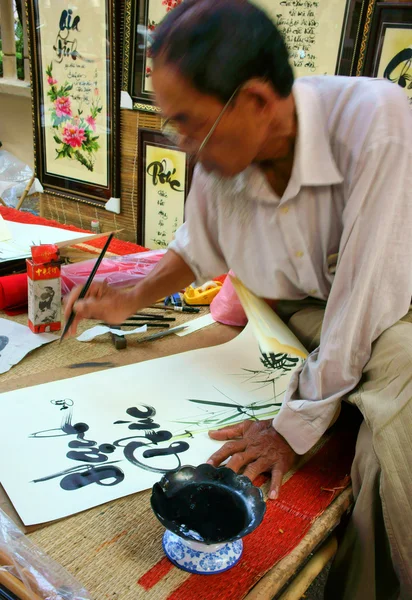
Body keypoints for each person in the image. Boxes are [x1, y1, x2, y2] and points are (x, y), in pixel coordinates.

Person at [64, 1, 412, 597]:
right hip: (292, 312)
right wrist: (130, 298)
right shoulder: (221, 157)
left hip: (386, 308)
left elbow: (363, 302)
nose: (185, 146)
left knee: (396, 428)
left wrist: (290, 429)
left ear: (254, 100)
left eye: (191, 123)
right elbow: (198, 248)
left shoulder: (373, 122)